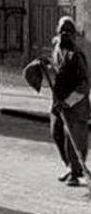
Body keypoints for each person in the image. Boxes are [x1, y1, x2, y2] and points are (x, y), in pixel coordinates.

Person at [44, 16, 89, 186]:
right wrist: (46, 66)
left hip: (76, 106)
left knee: (75, 139)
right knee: (57, 133)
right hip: (58, 102)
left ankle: (76, 172)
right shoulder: (56, 50)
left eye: (67, 32)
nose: (64, 35)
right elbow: (56, 70)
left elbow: (84, 84)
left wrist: (69, 101)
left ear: (73, 35)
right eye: (61, 31)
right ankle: (70, 166)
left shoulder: (77, 55)